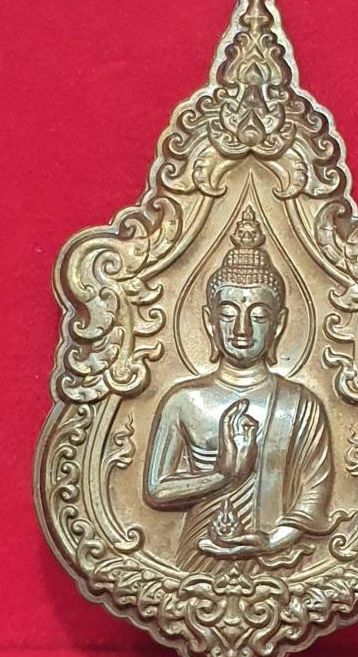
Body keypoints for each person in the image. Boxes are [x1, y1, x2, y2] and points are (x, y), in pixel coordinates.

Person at [145, 206, 343, 573]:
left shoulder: (300, 405)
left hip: (275, 563)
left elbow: (313, 494)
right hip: (196, 560)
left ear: (279, 324)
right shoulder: (184, 401)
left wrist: (272, 539)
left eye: (258, 315)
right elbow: (156, 490)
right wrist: (224, 475)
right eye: (228, 313)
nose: (241, 329)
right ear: (209, 321)